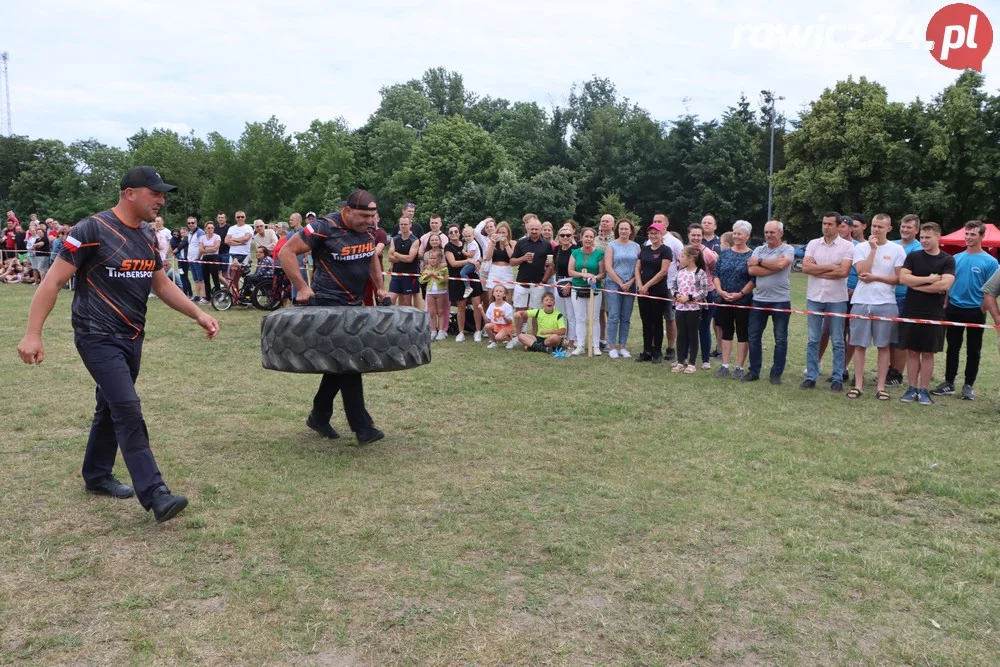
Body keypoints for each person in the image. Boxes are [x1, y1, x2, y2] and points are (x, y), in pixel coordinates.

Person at [17, 166, 219, 523]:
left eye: (162, 193)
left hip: (132, 336)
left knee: (110, 406)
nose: (161, 200)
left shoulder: (146, 236)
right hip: (96, 335)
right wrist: (33, 333)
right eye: (154, 193)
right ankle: (155, 494)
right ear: (130, 193)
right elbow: (51, 282)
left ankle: (96, 476)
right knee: (127, 408)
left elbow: (162, 285)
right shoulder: (90, 230)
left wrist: (198, 314)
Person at [278, 190, 387, 446]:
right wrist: (303, 287)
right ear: (347, 211)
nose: (368, 221)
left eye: (372, 216)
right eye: (363, 215)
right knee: (349, 363)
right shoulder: (323, 227)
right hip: (327, 305)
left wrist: (380, 286)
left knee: (339, 365)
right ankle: (363, 427)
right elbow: (286, 252)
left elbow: (372, 257)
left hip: (354, 305)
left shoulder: (369, 229)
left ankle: (319, 414)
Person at [931, 220, 999, 401]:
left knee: (973, 349)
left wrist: (982, 308)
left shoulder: (990, 262)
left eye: (973, 234)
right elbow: (949, 283)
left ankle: (968, 385)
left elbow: (991, 290)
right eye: (967, 234)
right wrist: (946, 301)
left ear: (982, 237)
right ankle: (949, 382)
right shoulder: (956, 259)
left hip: (975, 311)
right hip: (954, 308)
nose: (968, 237)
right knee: (953, 347)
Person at [846, 213, 906, 400]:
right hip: (862, 301)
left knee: (883, 346)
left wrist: (877, 278)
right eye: (873, 226)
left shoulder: (897, 250)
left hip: (886, 303)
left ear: (889, 229)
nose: (876, 230)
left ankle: (881, 387)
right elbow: (862, 271)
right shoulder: (861, 248)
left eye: (880, 227)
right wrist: (872, 250)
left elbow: (899, 278)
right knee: (859, 345)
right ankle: (858, 385)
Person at [897, 223, 955, 405]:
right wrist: (928, 280)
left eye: (927, 237)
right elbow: (903, 278)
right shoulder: (913, 257)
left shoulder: (947, 260)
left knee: (928, 353)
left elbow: (944, 285)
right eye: (922, 237)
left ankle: (923, 390)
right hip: (912, 310)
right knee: (912, 351)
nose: (923, 241)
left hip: (934, 313)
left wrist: (916, 285)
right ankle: (911, 388)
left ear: (938, 237)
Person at [801, 213, 854, 391]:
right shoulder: (813, 244)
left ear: (838, 226)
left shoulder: (847, 246)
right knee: (813, 339)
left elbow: (843, 272)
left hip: (837, 298)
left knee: (838, 340)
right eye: (824, 223)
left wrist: (817, 269)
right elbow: (805, 268)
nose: (826, 227)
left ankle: (837, 378)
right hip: (815, 297)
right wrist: (832, 267)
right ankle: (811, 376)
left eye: (830, 224)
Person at [745, 220, 795, 384]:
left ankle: (776, 374)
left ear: (780, 233)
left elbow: (782, 264)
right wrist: (773, 265)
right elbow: (751, 270)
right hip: (758, 299)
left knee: (780, 339)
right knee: (754, 337)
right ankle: (754, 371)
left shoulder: (788, 249)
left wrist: (760, 262)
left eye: (772, 232)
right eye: (766, 232)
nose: (768, 235)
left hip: (780, 301)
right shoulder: (759, 249)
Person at [712, 220, 754, 378]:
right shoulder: (726, 253)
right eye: (734, 233)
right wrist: (720, 291)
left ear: (747, 236)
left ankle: (740, 367)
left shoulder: (752, 255)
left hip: (743, 300)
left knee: (743, 333)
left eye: (740, 234)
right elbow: (716, 273)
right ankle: (724, 365)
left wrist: (741, 294)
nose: (736, 236)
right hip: (724, 299)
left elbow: (754, 279)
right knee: (726, 331)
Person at [888, 214, 923, 386]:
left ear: (916, 230)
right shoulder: (892, 245)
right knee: (888, 337)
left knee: (900, 339)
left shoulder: (919, 249)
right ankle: (890, 367)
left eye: (909, 227)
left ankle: (897, 373)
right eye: (903, 226)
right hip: (887, 296)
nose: (904, 229)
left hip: (906, 297)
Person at [634, 222, 672, 363]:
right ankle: (647, 350)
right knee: (646, 321)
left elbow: (663, 272)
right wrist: (640, 285)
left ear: (661, 234)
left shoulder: (665, 250)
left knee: (657, 320)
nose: (653, 236)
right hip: (643, 291)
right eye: (650, 233)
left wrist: (647, 286)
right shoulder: (644, 249)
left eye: (655, 233)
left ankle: (657, 351)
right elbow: (637, 268)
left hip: (657, 290)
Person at [603, 218, 640, 359]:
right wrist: (620, 282)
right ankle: (612, 346)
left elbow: (638, 267)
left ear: (631, 231)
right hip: (613, 284)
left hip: (630, 285)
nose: (624, 231)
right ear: (617, 230)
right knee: (613, 316)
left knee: (626, 317)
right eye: (621, 228)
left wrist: (630, 282)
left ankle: (623, 346)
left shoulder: (636, 246)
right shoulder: (611, 245)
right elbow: (608, 267)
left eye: (626, 229)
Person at [669, 246, 709, 374]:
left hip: (694, 309)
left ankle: (692, 363)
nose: (680, 259)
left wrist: (690, 297)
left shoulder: (700, 273)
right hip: (680, 308)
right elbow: (673, 286)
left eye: (682, 257)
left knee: (692, 334)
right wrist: (677, 295)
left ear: (690, 258)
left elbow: (704, 291)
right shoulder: (680, 272)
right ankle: (681, 361)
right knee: (681, 334)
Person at [567, 227, 606, 356]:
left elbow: (602, 273)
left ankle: (595, 346)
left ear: (593, 239)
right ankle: (581, 345)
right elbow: (570, 271)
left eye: (591, 237)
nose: (588, 239)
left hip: (594, 290)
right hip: (578, 288)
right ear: (581, 238)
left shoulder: (599, 253)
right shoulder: (575, 253)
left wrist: (594, 278)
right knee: (580, 318)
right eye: (586, 236)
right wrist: (582, 275)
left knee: (594, 318)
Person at [651, 213, 685, 360]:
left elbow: (683, 262)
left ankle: (671, 348)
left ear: (667, 224)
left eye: (660, 221)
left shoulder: (675, 242)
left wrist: (680, 283)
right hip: (653, 287)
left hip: (670, 286)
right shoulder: (648, 242)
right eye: (654, 221)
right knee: (653, 318)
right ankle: (653, 346)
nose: (657, 223)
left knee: (670, 318)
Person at [687, 223, 718, 369]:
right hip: (688, 294)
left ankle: (705, 360)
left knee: (704, 327)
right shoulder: (684, 252)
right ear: (689, 236)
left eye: (699, 235)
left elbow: (713, 271)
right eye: (693, 235)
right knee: (688, 326)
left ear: (702, 236)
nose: (696, 238)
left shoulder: (709, 254)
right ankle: (686, 356)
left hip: (707, 294)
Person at [444, 224, 483, 342]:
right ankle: (461, 332)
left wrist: (477, 262)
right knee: (461, 306)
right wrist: (468, 260)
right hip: (457, 279)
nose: (453, 233)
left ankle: (478, 331)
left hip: (472, 277)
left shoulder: (468, 243)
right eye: (451, 232)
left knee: (477, 304)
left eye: (456, 231)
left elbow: (478, 256)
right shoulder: (448, 247)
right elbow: (453, 263)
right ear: (448, 235)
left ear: (459, 233)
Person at [510, 214, 553, 316]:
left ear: (540, 229)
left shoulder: (546, 245)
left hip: (538, 283)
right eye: (532, 229)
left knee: (537, 312)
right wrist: (523, 258)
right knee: (519, 311)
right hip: (522, 281)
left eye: (536, 229)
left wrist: (543, 281)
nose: (534, 231)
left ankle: (534, 333)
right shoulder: (521, 243)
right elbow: (512, 262)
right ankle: (520, 332)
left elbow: (551, 266)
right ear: (528, 228)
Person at [552, 224, 579, 350]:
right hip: (558, 282)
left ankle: (572, 341)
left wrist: (571, 283)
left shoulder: (576, 249)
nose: (565, 237)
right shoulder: (556, 249)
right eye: (562, 235)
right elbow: (554, 266)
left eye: (568, 235)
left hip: (571, 282)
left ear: (572, 236)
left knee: (571, 314)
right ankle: (562, 338)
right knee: (560, 313)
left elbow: (578, 268)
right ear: (558, 237)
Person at [387, 217, 420, 307]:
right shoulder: (395, 239)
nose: (403, 226)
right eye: (401, 224)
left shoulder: (415, 240)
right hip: (396, 274)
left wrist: (397, 255)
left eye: (405, 224)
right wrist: (402, 258)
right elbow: (389, 257)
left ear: (410, 225)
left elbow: (410, 259)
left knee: (406, 301)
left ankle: (409, 320)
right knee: (391, 299)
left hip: (409, 274)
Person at [594, 213, 616, 349]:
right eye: (602, 221)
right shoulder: (595, 239)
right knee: (599, 311)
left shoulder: (616, 239)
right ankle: (601, 338)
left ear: (613, 224)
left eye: (607, 221)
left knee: (610, 311)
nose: (604, 223)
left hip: (611, 280)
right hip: (596, 280)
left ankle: (610, 339)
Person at [419, 248, 449, 340]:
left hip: (441, 292)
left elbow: (446, 280)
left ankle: (441, 331)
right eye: (430, 258)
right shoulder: (427, 269)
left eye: (434, 258)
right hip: (430, 293)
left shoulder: (444, 269)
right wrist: (427, 276)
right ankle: (433, 331)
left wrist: (438, 276)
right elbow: (421, 280)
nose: (432, 260)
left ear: (439, 259)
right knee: (432, 312)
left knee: (440, 311)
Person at [483, 221, 516, 299]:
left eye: (504, 232)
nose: (501, 234)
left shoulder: (513, 243)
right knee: (492, 297)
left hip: (507, 270)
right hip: (494, 270)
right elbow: (488, 258)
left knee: (508, 298)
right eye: (499, 232)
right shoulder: (492, 243)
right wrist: (493, 243)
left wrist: (506, 244)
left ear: (508, 233)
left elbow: (513, 257)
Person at [481, 284, 516, 349]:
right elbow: (487, 320)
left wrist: (504, 316)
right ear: (493, 294)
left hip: (506, 326)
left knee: (498, 338)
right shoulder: (492, 305)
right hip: (496, 325)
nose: (498, 292)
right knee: (487, 326)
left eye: (500, 291)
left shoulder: (507, 306)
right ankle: (494, 342)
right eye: (496, 291)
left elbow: (509, 322)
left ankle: (510, 340)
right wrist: (481, 311)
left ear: (504, 295)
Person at [199, 222, 223, 299]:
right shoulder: (202, 237)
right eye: (208, 228)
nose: (210, 229)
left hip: (214, 258)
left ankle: (218, 296)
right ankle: (208, 297)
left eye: (212, 228)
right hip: (205, 258)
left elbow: (216, 248)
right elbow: (201, 249)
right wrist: (209, 249)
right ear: (205, 229)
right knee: (206, 278)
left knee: (215, 278)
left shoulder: (217, 237)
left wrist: (206, 248)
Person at [186, 216, 206, 303]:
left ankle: (204, 297)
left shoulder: (200, 232)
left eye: (192, 223)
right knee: (196, 279)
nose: (191, 224)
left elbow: (202, 245)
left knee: (201, 279)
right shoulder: (190, 233)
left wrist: (199, 257)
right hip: (191, 259)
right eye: (189, 223)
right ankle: (197, 296)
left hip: (198, 259)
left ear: (196, 223)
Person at [459, 225, 482, 297]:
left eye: (469, 236)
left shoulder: (473, 244)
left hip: (473, 263)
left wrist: (463, 252)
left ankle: (468, 287)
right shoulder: (470, 243)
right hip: (473, 262)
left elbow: (471, 255)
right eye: (465, 236)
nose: (467, 238)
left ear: (473, 236)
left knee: (463, 272)